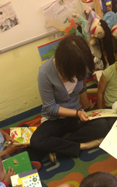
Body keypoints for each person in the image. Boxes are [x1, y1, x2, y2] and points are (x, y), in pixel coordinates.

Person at [30, 35, 111, 163]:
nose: (78, 75)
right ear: (66, 64)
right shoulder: (45, 73)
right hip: (55, 119)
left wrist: (88, 110)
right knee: (36, 141)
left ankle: (57, 147)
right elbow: (50, 108)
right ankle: (84, 145)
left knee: (103, 124)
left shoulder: (79, 66)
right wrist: (77, 113)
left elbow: (82, 89)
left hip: (76, 115)